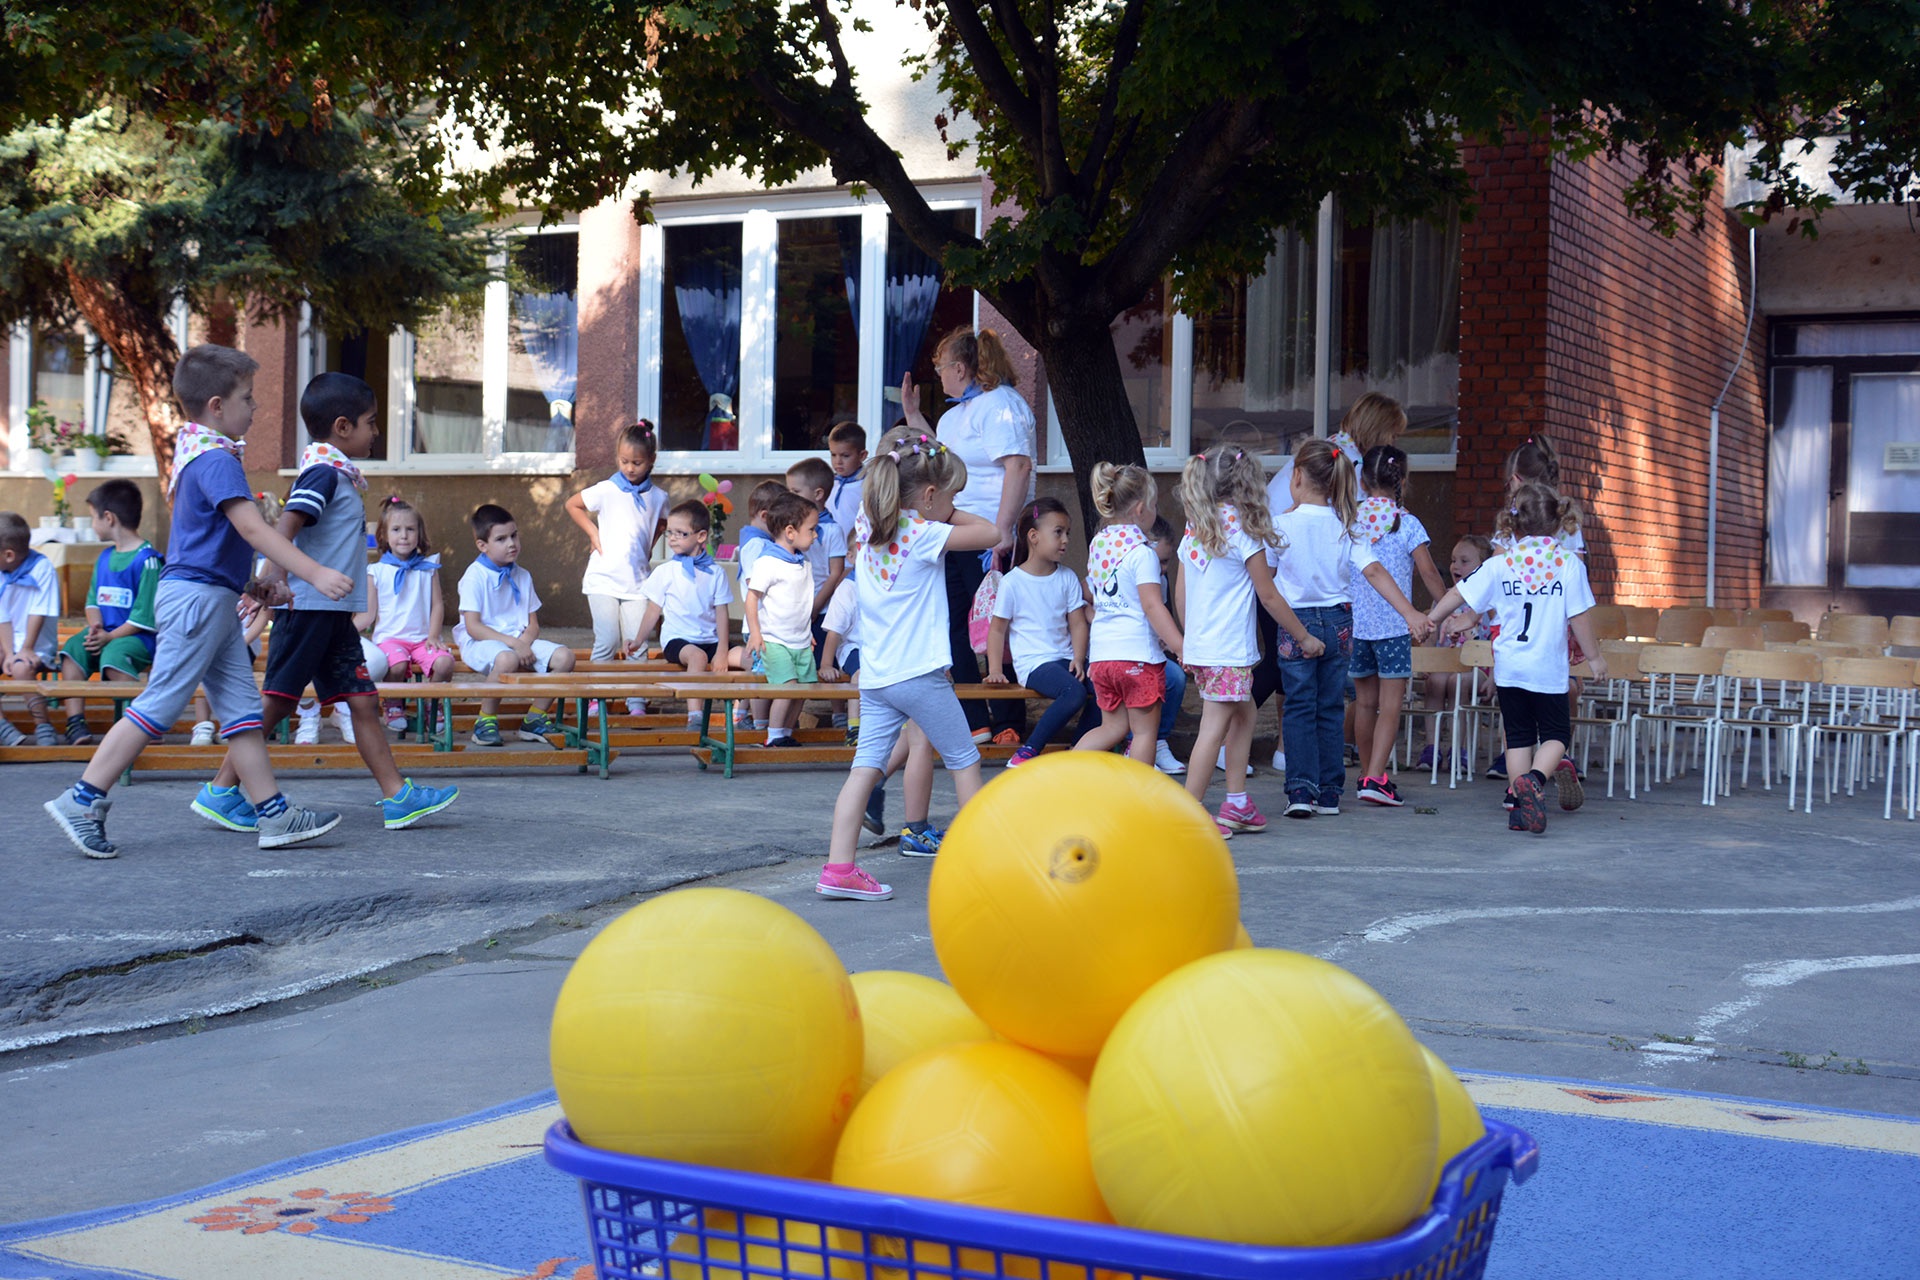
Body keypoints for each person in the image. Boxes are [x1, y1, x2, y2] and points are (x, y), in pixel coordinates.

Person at [44, 344, 350, 858]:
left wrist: (252, 586)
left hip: (211, 599)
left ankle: (273, 813)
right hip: (197, 601)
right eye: (248, 398)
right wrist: (313, 571)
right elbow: (252, 529)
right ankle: (82, 798)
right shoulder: (216, 459)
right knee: (160, 703)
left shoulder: (199, 455)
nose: (255, 407)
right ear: (216, 406)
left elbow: (207, 542)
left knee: (241, 712)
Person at [193, 372, 459, 834]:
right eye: (371, 423)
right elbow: (288, 523)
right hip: (307, 611)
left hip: (334, 617)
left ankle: (398, 796)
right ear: (342, 427)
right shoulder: (323, 473)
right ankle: (220, 790)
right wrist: (272, 578)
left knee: (363, 701)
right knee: (277, 704)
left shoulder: (339, 474)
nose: (376, 431)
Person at [818, 427, 1000, 901]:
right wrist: (946, 512)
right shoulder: (922, 533)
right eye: (950, 496)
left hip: (877, 677)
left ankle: (839, 868)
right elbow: (993, 533)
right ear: (931, 495)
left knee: (864, 770)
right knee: (965, 760)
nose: (953, 504)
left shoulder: (868, 525)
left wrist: (934, 501)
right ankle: (982, 863)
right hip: (919, 674)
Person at [1267, 437, 1433, 820]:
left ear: (1296, 477)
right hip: (1340, 622)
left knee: (1298, 707)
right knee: (1329, 705)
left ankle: (1300, 790)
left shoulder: (1280, 526)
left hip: (1295, 622)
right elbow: (1374, 571)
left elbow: (1267, 579)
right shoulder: (1347, 525)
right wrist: (1409, 613)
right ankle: (1329, 793)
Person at [1427, 481, 1607, 833]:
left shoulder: (1501, 563)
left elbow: (1459, 593)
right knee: (1556, 735)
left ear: (1515, 523)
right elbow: (1580, 618)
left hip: (1509, 669)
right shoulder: (1568, 564)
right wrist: (1595, 657)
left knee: (1518, 737)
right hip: (1547, 669)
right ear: (1557, 520)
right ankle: (1535, 781)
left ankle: (1520, 808)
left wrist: (1431, 619)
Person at [1254, 392, 1410, 768]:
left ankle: (1286, 754)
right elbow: (1358, 551)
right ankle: (1233, 742)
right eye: (1392, 434)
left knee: (1294, 682)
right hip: (1304, 593)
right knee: (1302, 685)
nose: (1393, 443)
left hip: (1285, 583)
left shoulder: (1328, 453)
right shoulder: (1345, 465)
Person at [1174, 444, 1321, 837]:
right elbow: (1268, 596)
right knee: (1213, 729)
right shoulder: (1244, 534)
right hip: (1228, 650)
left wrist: (1190, 639)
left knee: (1246, 714)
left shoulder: (1195, 529)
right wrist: (1303, 636)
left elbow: (1181, 591)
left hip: (1206, 647)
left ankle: (1237, 802)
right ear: (1248, 484)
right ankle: (1189, 813)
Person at [902, 326, 1034, 744]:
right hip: (955, 533)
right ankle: (974, 719)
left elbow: (1018, 466)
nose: (939, 375)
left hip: (990, 537)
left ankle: (1009, 720)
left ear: (960, 368)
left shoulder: (1001, 405)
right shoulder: (954, 415)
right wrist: (913, 417)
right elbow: (941, 457)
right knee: (952, 622)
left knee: (998, 622)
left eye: (941, 367)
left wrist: (1004, 530)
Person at [1486, 433, 1587, 790]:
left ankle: (1516, 789)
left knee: (1516, 721)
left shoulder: (1508, 532)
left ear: (1514, 481)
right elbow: (1578, 587)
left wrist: (1465, 618)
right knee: (1554, 711)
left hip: (1510, 631)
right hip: (1552, 631)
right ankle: (1548, 762)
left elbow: (1491, 584)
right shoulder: (1565, 527)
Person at [1350, 446, 1447, 808]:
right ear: (1402, 482)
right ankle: (1377, 777)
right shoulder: (1407, 523)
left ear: (1362, 482)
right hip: (1394, 626)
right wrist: (1446, 605)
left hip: (1358, 625)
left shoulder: (1350, 520)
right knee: (1390, 707)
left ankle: (1366, 773)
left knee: (1364, 704)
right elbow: (1428, 572)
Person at [1071, 464, 1184, 765]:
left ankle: (1066, 771)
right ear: (1140, 509)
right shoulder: (1143, 553)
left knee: (1112, 728)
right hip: (1137, 657)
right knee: (1145, 733)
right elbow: (1152, 606)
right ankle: (1139, 791)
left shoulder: (1099, 545)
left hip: (1102, 657)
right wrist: (1180, 646)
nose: (1155, 511)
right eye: (1154, 505)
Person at [455, 502, 576, 746]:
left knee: (565, 657)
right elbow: (473, 627)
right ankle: (485, 720)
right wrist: (514, 645)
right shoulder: (474, 576)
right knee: (507, 659)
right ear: (482, 545)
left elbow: (533, 625)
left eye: (514, 535)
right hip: (481, 641)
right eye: (501, 539)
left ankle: (535, 718)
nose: (511, 543)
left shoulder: (523, 575)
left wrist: (523, 644)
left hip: (517, 640)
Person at [984, 497, 1094, 767]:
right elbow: (997, 630)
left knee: (1107, 686)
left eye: (1067, 532)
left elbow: (1078, 623)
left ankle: (1081, 748)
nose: (1065, 540)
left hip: (1064, 659)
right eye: (1058, 532)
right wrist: (995, 669)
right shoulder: (1012, 582)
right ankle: (1029, 750)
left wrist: (1079, 658)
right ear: (1033, 536)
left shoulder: (1067, 577)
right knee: (1074, 692)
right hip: (1034, 664)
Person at [53, 481, 163, 746]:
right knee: (73, 648)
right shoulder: (104, 557)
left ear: (109, 518)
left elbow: (143, 618)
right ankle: (75, 723)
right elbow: (93, 602)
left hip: (138, 638)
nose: (93, 524)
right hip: (106, 634)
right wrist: (96, 629)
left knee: (114, 656)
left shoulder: (148, 560)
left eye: (93, 518)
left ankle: (143, 723)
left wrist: (110, 638)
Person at [566, 421, 669, 665]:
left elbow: (663, 523)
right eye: (624, 461)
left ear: (652, 460)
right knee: (608, 641)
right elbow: (572, 504)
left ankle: (635, 690)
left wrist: (649, 546)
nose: (629, 468)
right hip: (603, 579)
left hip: (637, 583)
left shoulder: (658, 497)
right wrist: (593, 533)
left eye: (637, 463)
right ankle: (596, 689)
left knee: (638, 646)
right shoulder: (607, 489)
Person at [635, 499, 733, 731]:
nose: (672, 538)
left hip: (710, 640)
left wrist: (722, 650)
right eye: (670, 532)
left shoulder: (716, 572)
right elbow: (653, 611)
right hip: (678, 641)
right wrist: (638, 640)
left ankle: (742, 714)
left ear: (701, 536)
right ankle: (695, 715)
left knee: (748, 658)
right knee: (698, 657)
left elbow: (722, 614)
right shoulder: (666, 571)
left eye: (680, 533)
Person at [364, 497, 455, 733]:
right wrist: (345, 631)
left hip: (423, 639)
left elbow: (437, 605)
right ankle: (393, 703)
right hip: (390, 640)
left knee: (445, 662)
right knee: (397, 664)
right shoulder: (376, 571)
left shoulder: (428, 568)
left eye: (410, 529)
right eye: (396, 530)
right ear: (384, 536)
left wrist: (433, 635)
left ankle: (431, 704)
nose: (404, 536)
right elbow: (368, 614)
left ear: (419, 534)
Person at [742, 490, 819, 747]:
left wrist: (807, 633)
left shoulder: (803, 563)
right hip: (774, 640)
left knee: (802, 690)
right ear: (790, 532)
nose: (815, 535)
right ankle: (774, 735)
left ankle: (785, 733)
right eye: (811, 530)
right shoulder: (768, 562)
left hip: (800, 640)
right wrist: (755, 633)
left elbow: (800, 603)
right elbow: (752, 598)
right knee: (787, 687)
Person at [1417, 534, 1495, 774]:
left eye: (1464, 561)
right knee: (1436, 681)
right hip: (1446, 663)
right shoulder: (1446, 599)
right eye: (1453, 560)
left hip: (1477, 669)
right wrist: (1427, 660)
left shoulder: (1490, 601)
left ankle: (1457, 748)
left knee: (1457, 682)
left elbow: (1494, 640)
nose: (1455, 566)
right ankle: (1432, 747)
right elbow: (1431, 634)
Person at [730, 480, 789, 731]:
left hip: (765, 623)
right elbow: (756, 584)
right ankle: (760, 724)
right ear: (766, 516)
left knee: (760, 669)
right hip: (760, 625)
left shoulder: (758, 541)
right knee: (762, 673)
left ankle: (745, 714)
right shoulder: (757, 545)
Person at [0, 511, 61, 746]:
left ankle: (43, 724)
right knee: (13, 661)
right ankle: (3, 727)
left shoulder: (42, 568)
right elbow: (2, 616)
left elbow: (39, 611)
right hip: (7, 640)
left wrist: (25, 648)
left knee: (21, 667)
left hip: (36, 642)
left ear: (9, 555)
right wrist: (8, 651)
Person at [1147, 518, 1190, 776]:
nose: (1164, 570)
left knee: (1174, 678)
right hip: (1125, 652)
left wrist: (1164, 639)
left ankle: (1159, 740)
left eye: (1167, 562)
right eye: (1160, 562)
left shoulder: (1160, 580)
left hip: (1151, 650)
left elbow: (1157, 615)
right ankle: (1135, 744)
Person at [825, 420, 869, 532]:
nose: (838, 461)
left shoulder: (868, 486)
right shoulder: (828, 483)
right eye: (833, 455)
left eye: (845, 456)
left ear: (862, 455)